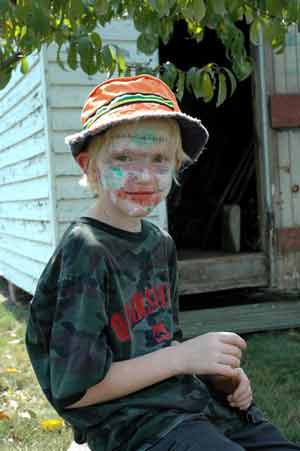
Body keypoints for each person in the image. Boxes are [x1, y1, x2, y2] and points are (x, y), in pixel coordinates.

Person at [26, 74, 300, 451]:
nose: (143, 176)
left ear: (175, 167)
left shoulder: (160, 245)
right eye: (123, 158)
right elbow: (77, 391)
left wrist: (218, 374)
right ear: (90, 167)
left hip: (191, 405)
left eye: (159, 160)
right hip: (132, 425)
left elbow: (161, 341)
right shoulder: (86, 250)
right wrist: (183, 357)